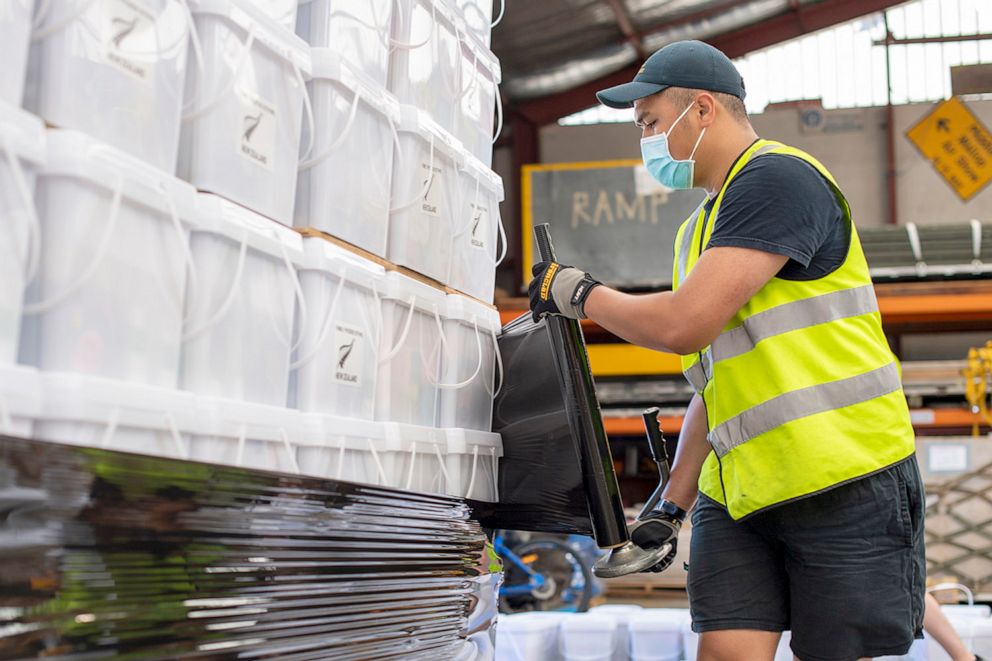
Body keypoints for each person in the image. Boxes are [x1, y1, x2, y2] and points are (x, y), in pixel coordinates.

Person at [527, 40, 925, 661]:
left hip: (842, 474)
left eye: (652, 124)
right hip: (741, 488)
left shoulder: (779, 177)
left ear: (704, 109)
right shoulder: (697, 230)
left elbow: (683, 325)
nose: (647, 141)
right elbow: (717, 388)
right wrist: (670, 506)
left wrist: (578, 294)